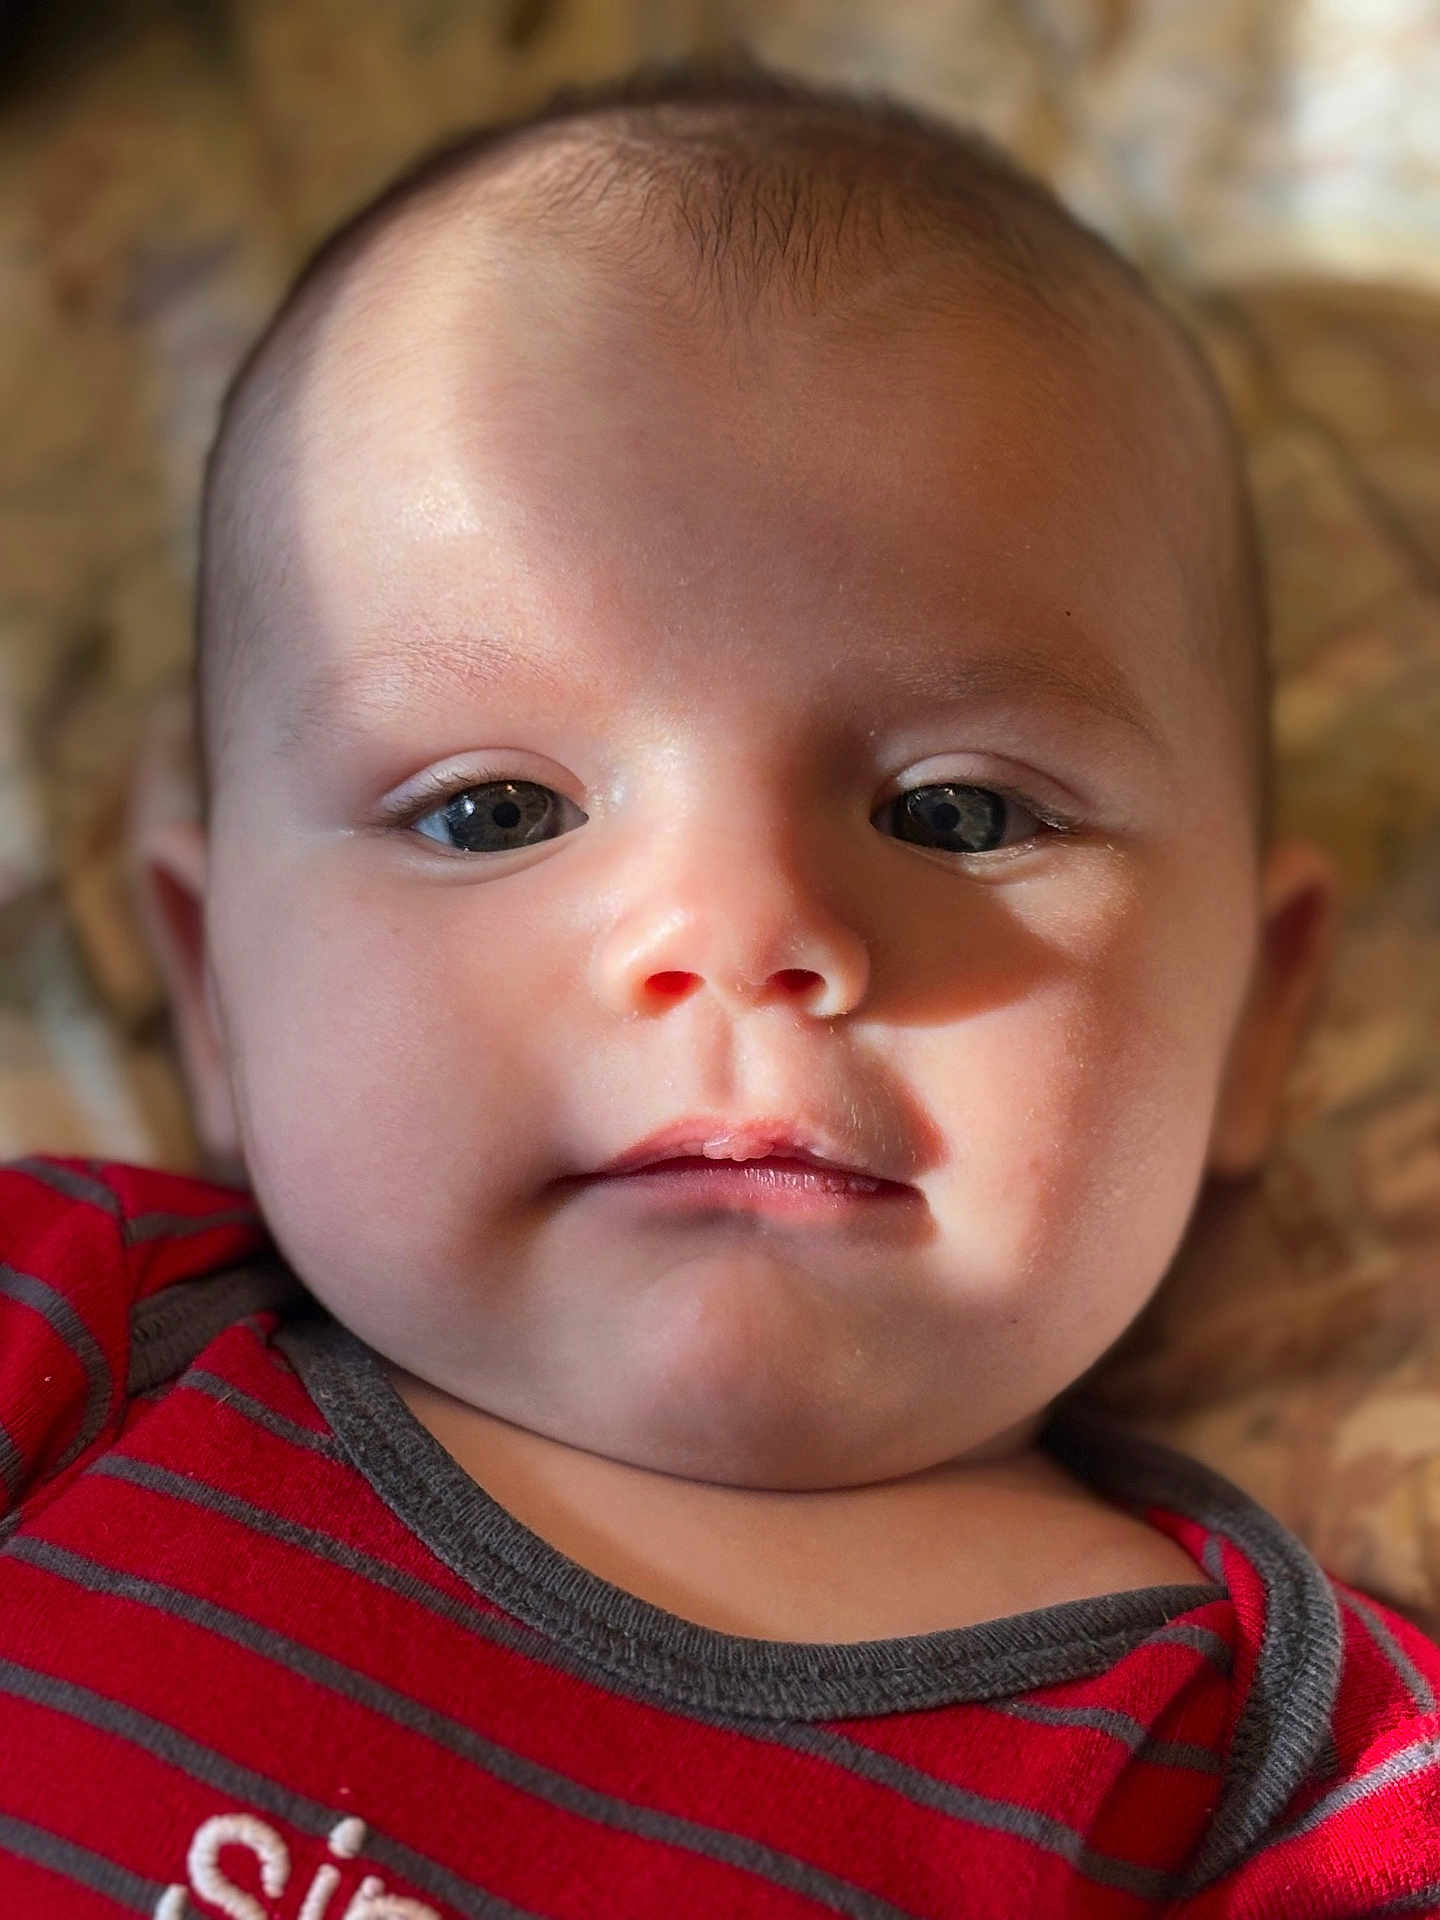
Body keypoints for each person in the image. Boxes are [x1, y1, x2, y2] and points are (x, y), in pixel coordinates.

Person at [3, 56, 1436, 1920]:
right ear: (214, 989)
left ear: (1254, 1008)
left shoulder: (1300, 1789)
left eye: (957, 811)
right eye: (495, 811)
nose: (747, 932)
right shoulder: (74, 1333)